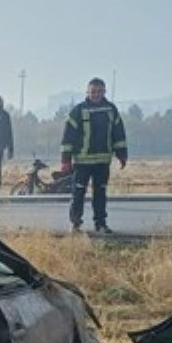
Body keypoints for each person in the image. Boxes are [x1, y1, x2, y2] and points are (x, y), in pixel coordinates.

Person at [61, 78, 128, 233]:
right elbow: (67, 137)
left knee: (100, 194)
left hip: (103, 162)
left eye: (99, 91)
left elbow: (118, 133)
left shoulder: (111, 110)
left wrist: (122, 154)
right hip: (82, 162)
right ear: (87, 92)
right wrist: (66, 160)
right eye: (93, 91)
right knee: (78, 193)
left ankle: (101, 224)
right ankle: (76, 224)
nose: (96, 94)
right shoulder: (78, 111)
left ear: (104, 92)